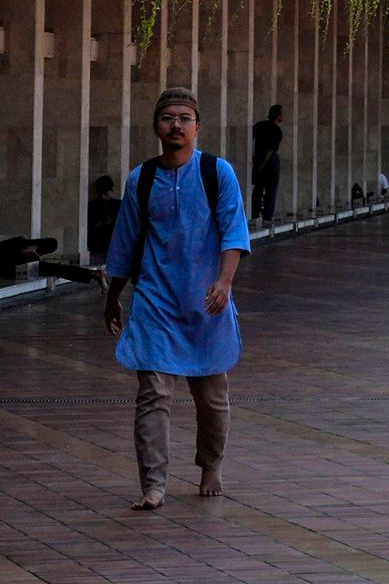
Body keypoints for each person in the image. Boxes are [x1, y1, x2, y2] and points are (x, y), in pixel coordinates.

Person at [103, 88, 250, 513]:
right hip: (155, 301)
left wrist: (224, 282)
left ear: (197, 127)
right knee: (153, 394)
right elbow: (126, 243)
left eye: (185, 118)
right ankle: (153, 483)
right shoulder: (141, 179)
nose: (176, 126)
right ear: (156, 126)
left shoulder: (217, 173)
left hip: (206, 303)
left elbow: (234, 232)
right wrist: (114, 297)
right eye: (168, 118)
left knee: (212, 398)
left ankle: (210, 464)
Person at [250, 102, 285, 226]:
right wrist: (264, 162)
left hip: (257, 159)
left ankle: (254, 214)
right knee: (271, 189)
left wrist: (258, 162)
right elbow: (271, 149)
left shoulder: (259, 125)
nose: (283, 116)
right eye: (282, 114)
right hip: (269, 162)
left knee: (258, 188)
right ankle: (267, 217)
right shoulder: (276, 131)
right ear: (277, 116)